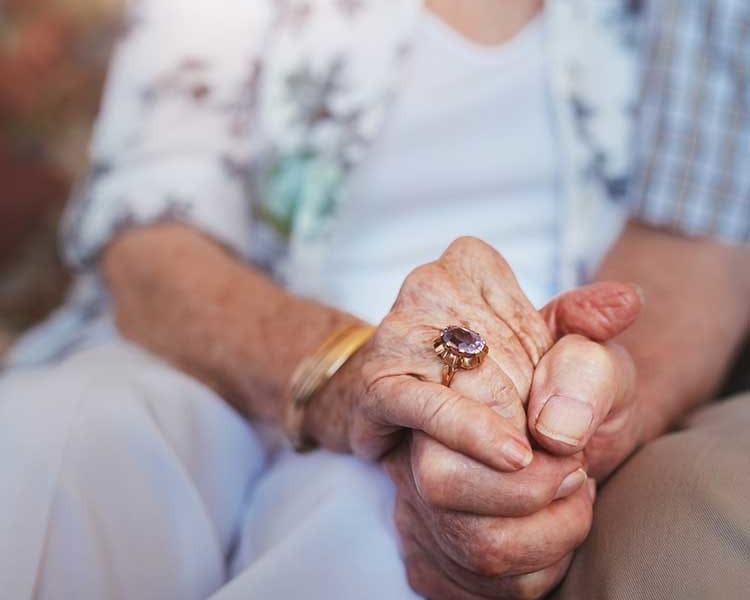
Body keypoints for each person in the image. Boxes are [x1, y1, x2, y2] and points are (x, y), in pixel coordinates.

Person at [1, 0, 749, 598]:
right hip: (220, 348)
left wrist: (578, 412)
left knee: (370, 542)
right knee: (51, 448)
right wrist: (349, 372)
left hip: (516, 389)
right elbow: (152, 231)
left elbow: (694, 249)